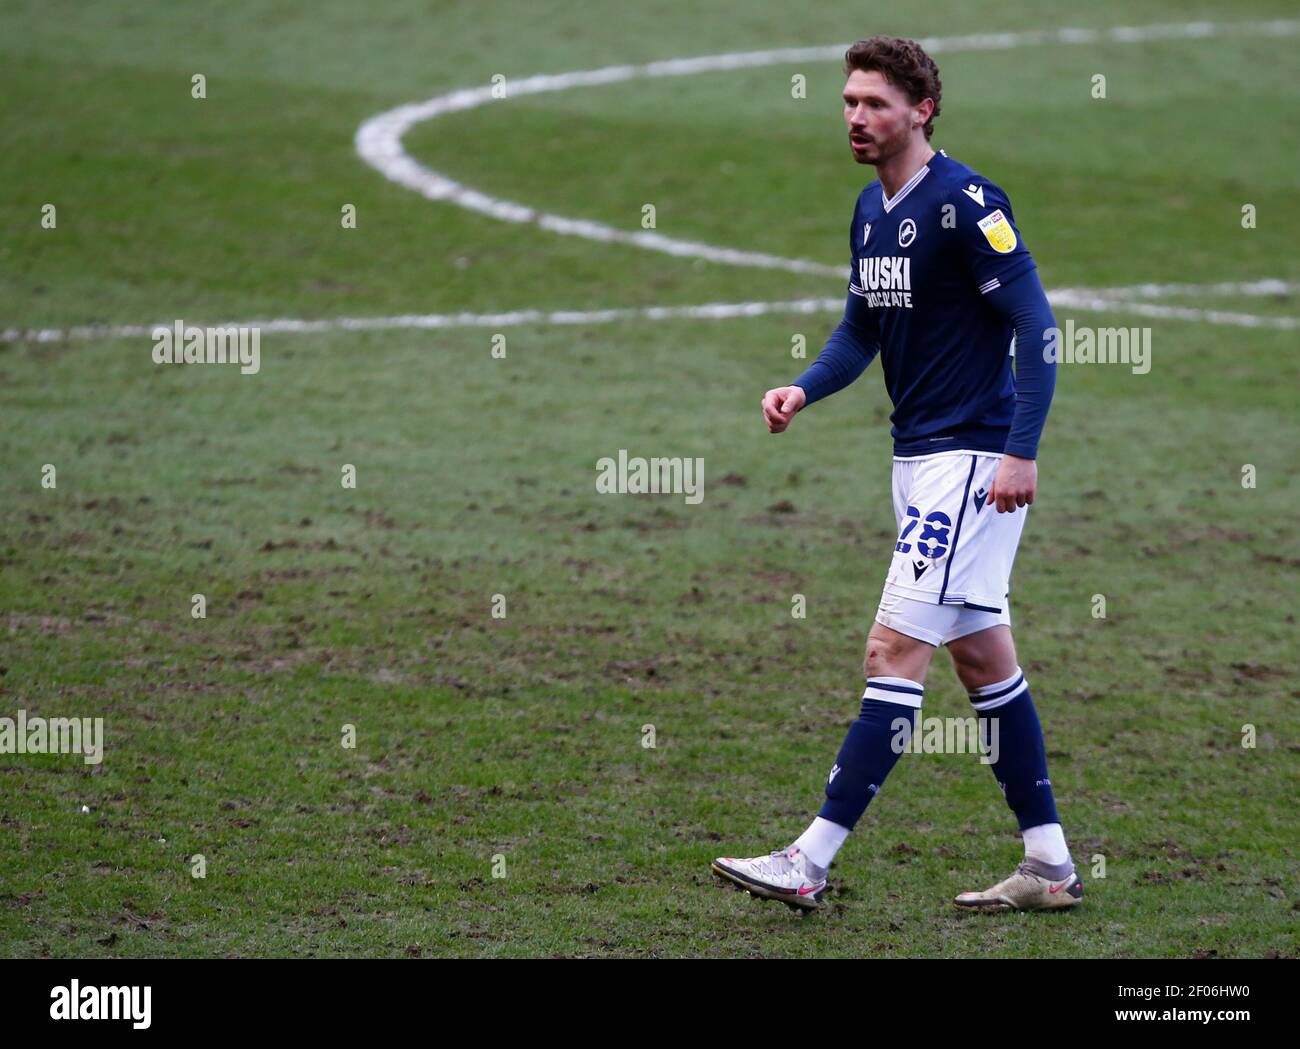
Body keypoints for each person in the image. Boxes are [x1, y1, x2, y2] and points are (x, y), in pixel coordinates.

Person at [712, 35, 1080, 913]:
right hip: (917, 462)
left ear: (922, 110)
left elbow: (1039, 327)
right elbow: (861, 330)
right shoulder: (870, 211)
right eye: (847, 103)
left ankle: (809, 858)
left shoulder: (968, 204)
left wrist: (1022, 449)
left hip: (973, 460)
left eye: (874, 103)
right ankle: (1050, 865)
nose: (855, 118)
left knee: (891, 650)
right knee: (984, 662)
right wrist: (802, 387)